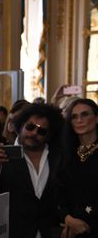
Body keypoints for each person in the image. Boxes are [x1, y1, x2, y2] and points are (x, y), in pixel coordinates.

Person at [0, 103, 65, 238]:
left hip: (52, 233)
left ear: (49, 135)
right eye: (30, 127)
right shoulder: (2, 156)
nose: (34, 133)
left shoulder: (58, 158)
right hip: (17, 232)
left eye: (41, 131)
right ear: (21, 126)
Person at [58, 98, 98, 238]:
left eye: (85, 114)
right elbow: (58, 190)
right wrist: (68, 219)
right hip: (69, 227)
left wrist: (81, 221)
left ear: (96, 118)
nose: (79, 120)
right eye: (74, 117)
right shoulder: (66, 153)